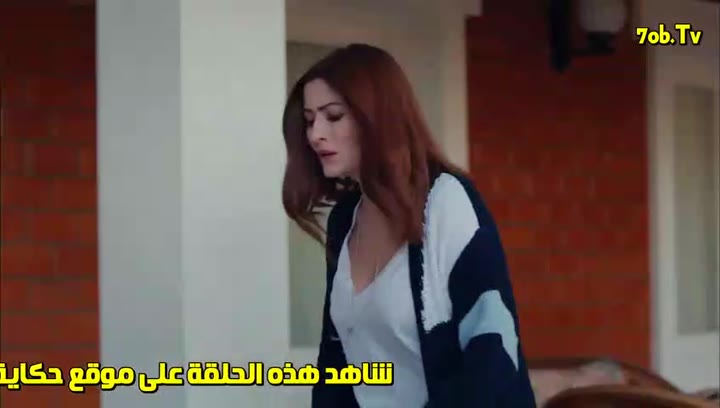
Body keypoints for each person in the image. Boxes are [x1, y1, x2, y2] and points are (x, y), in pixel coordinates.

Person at [281, 43, 537, 408]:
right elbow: (335, 363)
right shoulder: (344, 220)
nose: (315, 134)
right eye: (309, 120)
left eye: (333, 116)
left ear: (378, 116)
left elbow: (492, 349)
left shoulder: (446, 200)